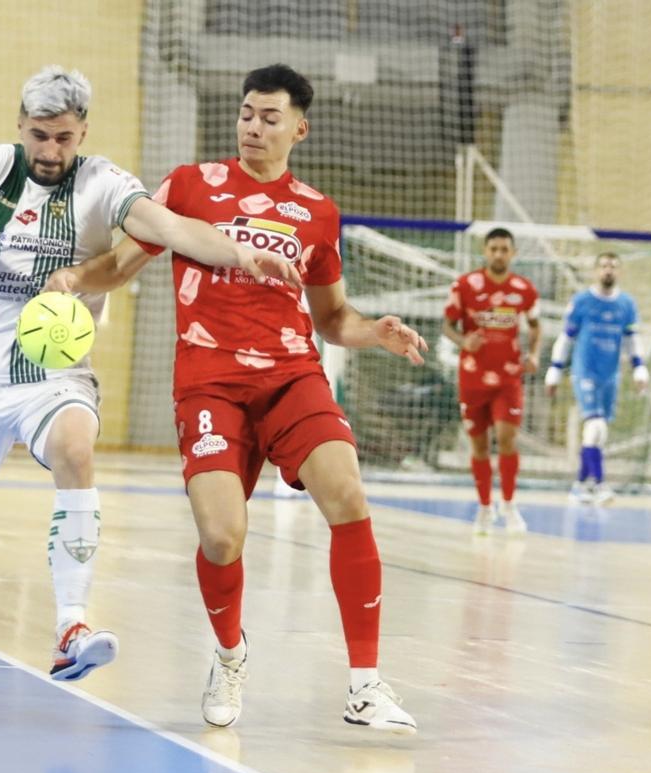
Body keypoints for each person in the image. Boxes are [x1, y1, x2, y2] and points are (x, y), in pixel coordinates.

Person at [0, 65, 299, 694]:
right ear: (21, 126)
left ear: (83, 132)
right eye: (39, 136)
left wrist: (236, 251)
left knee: (74, 447)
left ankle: (72, 626)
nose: (50, 151)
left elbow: (170, 226)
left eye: (64, 138)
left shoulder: (103, 183)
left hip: (57, 374)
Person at [46, 64, 423, 733]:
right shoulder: (191, 185)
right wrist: (77, 277)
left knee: (350, 498)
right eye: (247, 113)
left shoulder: (317, 212)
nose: (253, 125)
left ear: (299, 129)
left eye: (269, 116)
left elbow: (333, 319)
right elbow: (125, 264)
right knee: (222, 538)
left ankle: (364, 685)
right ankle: (228, 656)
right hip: (210, 383)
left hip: (291, 376)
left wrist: (375, 332)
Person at [442, 228, 541, 535]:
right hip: (472, 378)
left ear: (512, 253)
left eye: (504, 249)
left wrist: (534, 354)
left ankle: (509, 506)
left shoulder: (523, 289)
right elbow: (447, 325)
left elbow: (536, 326)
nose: (499, 254)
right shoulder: (466, 285)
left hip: (509, 377)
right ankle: (485, 507)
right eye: (494, 248)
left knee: (507, 438)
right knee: (479, 445)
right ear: (485, 251)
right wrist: (462, 340)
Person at [544, 252, 649, 504]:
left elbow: (631, 339)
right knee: (595, 425)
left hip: (610, 375)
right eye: (603, 266)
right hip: (585, 372)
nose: (608, 270)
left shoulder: (626, 304)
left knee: (598, 435)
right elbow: (566, 338)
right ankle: (600, 484)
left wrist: (639, 367)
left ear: (619, 271)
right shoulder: (582, 301)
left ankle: (580, 485)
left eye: (613, 266)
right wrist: (556, 369)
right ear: (596, 270)